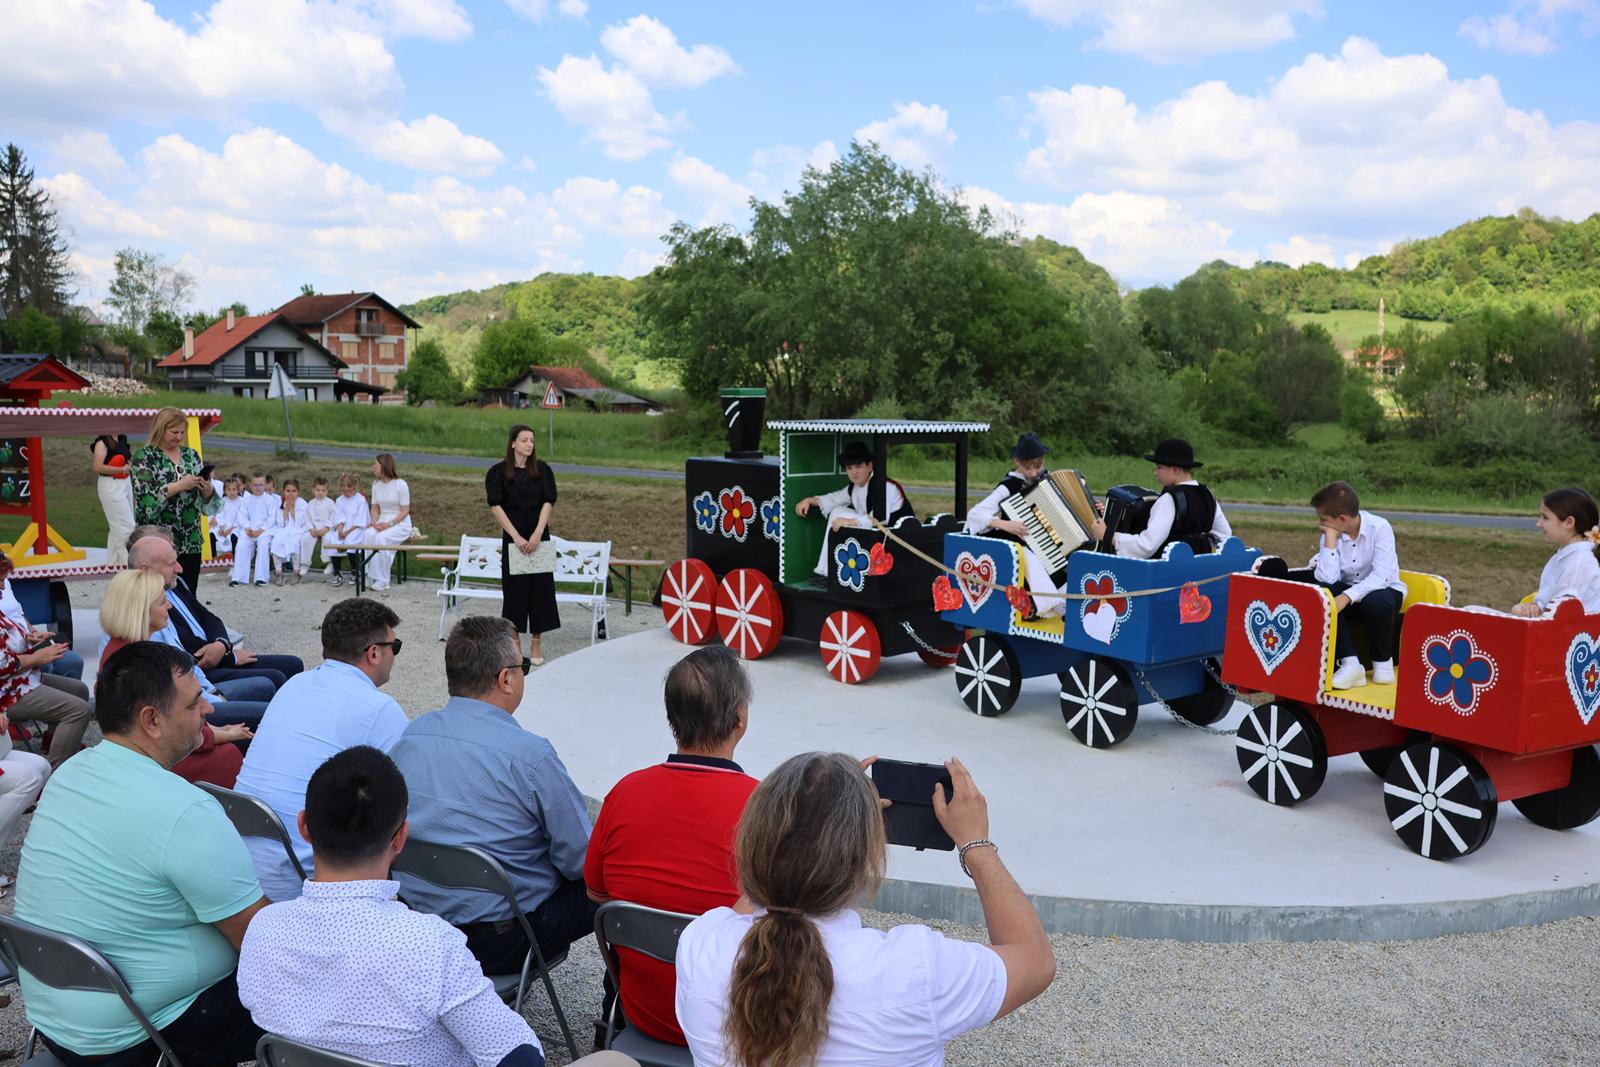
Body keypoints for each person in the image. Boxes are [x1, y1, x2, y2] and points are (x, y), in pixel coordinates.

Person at [674, 752, 1056, 1067]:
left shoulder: (700, 947)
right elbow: (1035, 961)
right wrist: (976, 843)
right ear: (866, 857)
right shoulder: (914, 968)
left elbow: (767, 892)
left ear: (752, 840)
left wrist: (821, 820)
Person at [15, 642, 267, 1066]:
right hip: (146, 1034)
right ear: (151, 720)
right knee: (316, 1001)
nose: (207, 709)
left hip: (58, 1021)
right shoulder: (185, 809)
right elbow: (261, 943)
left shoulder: (70, 773)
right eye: (194, 702)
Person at [240, 748, 543, 1067]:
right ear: (400, 840)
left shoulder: (263, 929)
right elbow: (517, 1057)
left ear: (303, 826)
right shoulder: (430, 945)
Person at [389, 615, 593, 977]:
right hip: (499, 943)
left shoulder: (410, 737)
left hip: (418, 926)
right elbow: (581, 861)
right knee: (612, 882)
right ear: (505, 678)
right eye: (523, 666)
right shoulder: (531, 756)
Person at [584, 645, 759, 1047]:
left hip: (642, 1014)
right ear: (740, 719)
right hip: (730, 1028)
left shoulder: (625, 793)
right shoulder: (766, 808)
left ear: (672, 719)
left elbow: (597, 894)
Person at [234, 597, 407, 901]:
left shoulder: (294, 684)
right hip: (300, 876)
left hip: (240, 864)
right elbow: (406, 800)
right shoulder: (380, 709)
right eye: (395, 646)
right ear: (374, 653)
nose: (395, 655)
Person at [99, 569, 250, 788]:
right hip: (157, 759)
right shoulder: (136, 664)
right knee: (233, 751)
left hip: (153, 747)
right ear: (141, 610)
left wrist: (219, 731)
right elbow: (169, 726)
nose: (169, 606)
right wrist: (221, 735)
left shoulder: (127, 649)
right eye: (163, 603)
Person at [128, 527, 302, 695]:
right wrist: (229, 657)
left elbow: (208, 618)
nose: (179, 567)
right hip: (202, 669)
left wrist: (222, 644)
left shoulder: (175, 584)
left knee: (293, 665)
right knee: (273, 679)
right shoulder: (149, 602)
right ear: (146, 566)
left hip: (216, 657)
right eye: (170, 560)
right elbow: (182, 647)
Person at [1307, 480, 1406, 690]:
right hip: (1349, 595)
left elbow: (1382, 577)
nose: (1321, 524)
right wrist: (1330, 541)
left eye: (1324, 520)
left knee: (1377, 600)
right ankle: (1351, 664)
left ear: (1342, 518)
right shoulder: (1330, 533)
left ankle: (1383, 662)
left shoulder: (1380, 528)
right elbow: (1327, 578)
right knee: (1324, 592)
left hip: (1383, 593)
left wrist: (1347, 596)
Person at [0, 549, 92, 768]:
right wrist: (38, 657)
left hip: (17, 681)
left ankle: (55, 743)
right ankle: (57, 777)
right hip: (7, 692)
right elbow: (4, 664)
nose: (4, 587)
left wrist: (30, 638)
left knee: (79, 690)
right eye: (1, 581)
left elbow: (10, 635)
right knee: (80, 710)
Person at [965, 433, 1067, 619]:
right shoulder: (1009, 486)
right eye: (1028, 468)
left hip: (1046, 539)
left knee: (1064, 558)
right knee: (1028, 557)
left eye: (1038, 466)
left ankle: (1066, 603)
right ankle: (1051, 605)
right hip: (1015, 540)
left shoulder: (1047, 480)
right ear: (1017, 462)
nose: (1034, 473)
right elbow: (975, 514)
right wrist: (1005, 524)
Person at [487, 424, 560, 664]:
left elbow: (548, 502)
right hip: (513, 536)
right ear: (513, 443)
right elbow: (496, 506)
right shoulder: (497, 473)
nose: (530, 444)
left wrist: (538, 533)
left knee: (540, 590)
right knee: (515, 591)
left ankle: (536, 644)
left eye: (532, 440)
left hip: (538, 533)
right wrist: (516, 537)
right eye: (525, 440)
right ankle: (516, 645)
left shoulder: (543, 470)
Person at [1090, 438, 1232, 559]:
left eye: (1159, 467)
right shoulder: (1208, 494)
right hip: (1198, 569)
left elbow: (1147, 545)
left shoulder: (1170, 499)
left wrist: (1108, 535)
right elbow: (1224, 535)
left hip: (1167, 571)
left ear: (1175, 469)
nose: (1155, 473)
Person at [130, 406, 218, 593]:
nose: (179, 437)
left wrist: (207, 491)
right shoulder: (144, 458)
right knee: (157, 594)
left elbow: (209, 508)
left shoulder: (191, 456)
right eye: (174, 432)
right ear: (161, 430)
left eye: (182, 432)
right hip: (157, 542)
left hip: (190, 540)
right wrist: (178, 486)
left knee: (188, 594)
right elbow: (144, 505)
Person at [795, 440, 914, 578]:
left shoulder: (885, 486)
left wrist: (850, 521)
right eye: (850, 468)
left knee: (842, 517)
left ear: (869, 466)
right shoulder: (854, 487)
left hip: (898, 540)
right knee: (837, 512)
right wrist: (809, 500)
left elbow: (878, 519)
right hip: (876, 538)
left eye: (858, 466)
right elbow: (834, 499)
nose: (854, 472)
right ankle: (826, 570)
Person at [1512, 487, 1600, 617]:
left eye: (1545, 517)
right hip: (1559, 631)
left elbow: (1558, 616)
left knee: (1474, 613)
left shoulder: (1577, 563)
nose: (1539, 524)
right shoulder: (1567, 557)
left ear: (1569, 523)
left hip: (1565, 635)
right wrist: (1531, 607)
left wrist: (1522, 610)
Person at [0, 568, 86, 682]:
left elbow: (18, 614)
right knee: (47, 666)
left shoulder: (5, 582)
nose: (3, 586)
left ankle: (60, 695)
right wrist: (32, 650)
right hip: (12, 651)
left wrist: (34, 632)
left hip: (27, 642)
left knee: (75, 662)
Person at [366, 452, 412, 591]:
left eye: (375, 463)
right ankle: (370, 574)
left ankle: (383, 579)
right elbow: (374, 507)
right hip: (382, 520)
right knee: (368, 534)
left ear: (384, 466)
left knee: (381, 538)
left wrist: (389, 524)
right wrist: (374, 522)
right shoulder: (376, 485)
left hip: (400, 523)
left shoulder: (401, 485)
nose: (373, 466)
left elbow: (405, 511)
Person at [91, 431, 135, 566]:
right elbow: (97, 467)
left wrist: (128, 466)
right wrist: (121, 469)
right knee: (127, 528)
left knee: (117, 527)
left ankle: (114, 565)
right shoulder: (102, 442)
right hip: (111, 484)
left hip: (125, 483)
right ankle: (131, 565)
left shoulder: (122, 438)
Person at [230, 472, 279, 588]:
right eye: (255, 485)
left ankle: (261, 578)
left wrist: (261, 530)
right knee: (241, 544)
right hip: (250, 529)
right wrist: (247, 528)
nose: (258, 488)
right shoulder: (246, 500)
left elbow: (271, 518)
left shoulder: (269, 500)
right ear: (251, 485)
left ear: (264, 485)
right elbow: (242, 516)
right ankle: (239, 578)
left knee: (263, 545)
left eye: (261, 485)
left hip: (265, 530)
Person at [329, 472, 369, 587]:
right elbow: (339, 516)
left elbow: (361, 519)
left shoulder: (360, 500)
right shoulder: (339, 500)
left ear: (354, 487)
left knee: (351, 542)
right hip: (344, 527)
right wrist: (341, 529)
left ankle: (355, 571)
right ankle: (337, 572)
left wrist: (347, 532)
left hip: (356, 528)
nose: (346, 493)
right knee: (335, 540)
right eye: (343, 491)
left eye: (349, 491)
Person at [269, 477, 311, 584]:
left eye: (294, 491)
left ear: (298, 492)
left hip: (298, 530)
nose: (290, 494)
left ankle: (296, 574)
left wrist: (292, 509)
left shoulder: (302, 503)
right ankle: (279, 573)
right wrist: (286, 510)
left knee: (294, 544)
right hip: (284, 529)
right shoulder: (280, 503)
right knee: (276, 543)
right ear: (283, 491)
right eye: (288, 491)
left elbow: (301, 521)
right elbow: (280, 522)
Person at [305, 476, 337, 577]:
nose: (320, 492)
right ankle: (305, 563)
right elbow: (307, 518)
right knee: (305, 539)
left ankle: (329, 562)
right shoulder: (310, 503)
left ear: (327, 491)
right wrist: (311, 528)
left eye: (323, 490)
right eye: (318, 490)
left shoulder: (330, 503)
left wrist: (326, 528)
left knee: (327, 539)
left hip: (327, 529)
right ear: (313, 490)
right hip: (314, 529)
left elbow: (333, 517)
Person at [212, 476, 243, 557]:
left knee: (234, 537)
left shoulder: (241, 501)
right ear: (224, 491)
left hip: (235, 528)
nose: (232, 492)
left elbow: (241, 517)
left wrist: (231, 529)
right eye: (229, 490)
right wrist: (221, 528)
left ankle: (234, 557)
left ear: (238, 490)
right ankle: (213, 558)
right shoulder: (222, 501)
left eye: (234, 489)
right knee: (212, 535)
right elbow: (220, 515)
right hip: (223, 527)